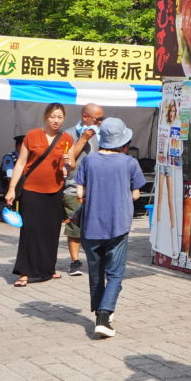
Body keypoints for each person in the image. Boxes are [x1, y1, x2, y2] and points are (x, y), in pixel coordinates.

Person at [74, 117, 145, 339]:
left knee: (95, 274)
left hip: (91, 225)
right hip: (118, 225)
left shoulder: (89, 161)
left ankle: (100, 313)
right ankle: (104, 316)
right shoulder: (129, 162)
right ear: (123, 141)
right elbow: (135, 193)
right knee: (114, 275)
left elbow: (79, 194)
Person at [6, 103, 74, 286]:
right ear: (46, 117)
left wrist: (69, 162)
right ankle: (25, 272)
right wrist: (12, 188)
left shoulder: (66, 138)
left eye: (60, 117)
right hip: (31, 189)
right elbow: (21, 163)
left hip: (55, 190)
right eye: (53, 116)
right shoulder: (32, 136)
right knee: (30, 230)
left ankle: (48, 269)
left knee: (51, 231)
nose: (56, 120)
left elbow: (72, 164)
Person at [62, 103, 105, 277]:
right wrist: (83, 139)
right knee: (75, 228)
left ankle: (98, 259)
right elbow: (69, 161)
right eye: (98, 119)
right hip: (74, 186)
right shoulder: (70, 134)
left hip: (99, 188)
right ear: (85, 117)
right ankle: (75, 261)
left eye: (102, 119)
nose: (101, 122)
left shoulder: (104, 133)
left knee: (98, 227)